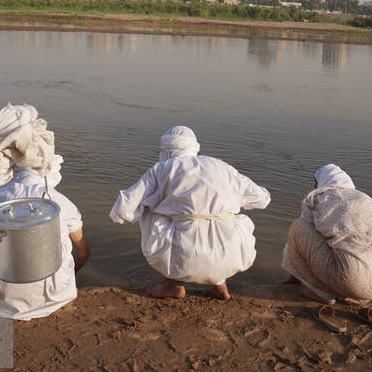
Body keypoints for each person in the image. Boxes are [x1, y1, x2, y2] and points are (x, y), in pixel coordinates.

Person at [110, 126, 270, 300]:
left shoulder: (162, 169)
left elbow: (123, 208)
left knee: (148, 208)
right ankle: (219, 285)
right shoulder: (220, 165)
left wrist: (156, 206)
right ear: (194, 147)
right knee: (226, 217)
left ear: (166, 149)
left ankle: (173, 285)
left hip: (183, 256)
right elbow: (262, 198)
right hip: (232, 255)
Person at [0, 154, 90, 320]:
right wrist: (69, 276)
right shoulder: (63, 203)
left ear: (19, 169)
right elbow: (83, 253)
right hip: (49, 293)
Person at [281, 164, 372, 305]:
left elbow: (299, 240)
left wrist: (295, 274)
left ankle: (320, 293)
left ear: (321, 183)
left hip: (355, 283)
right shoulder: (366, 200)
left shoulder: (320, 199)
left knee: (298, 227)